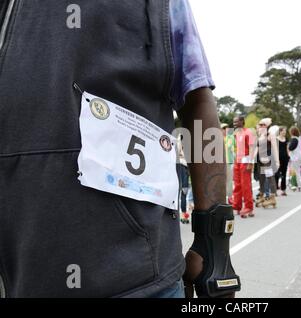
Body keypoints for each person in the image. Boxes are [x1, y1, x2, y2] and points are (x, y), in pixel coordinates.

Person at [0, 0, 239, 298]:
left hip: (141, 281)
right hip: (21, 274)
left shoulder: (167, 5)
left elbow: (196, 100)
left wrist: (214, 245)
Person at [232, 116, 256, 216]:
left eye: (236, 122)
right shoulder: (236, 133)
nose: (234, 124)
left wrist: (251, 162)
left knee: (246, 185)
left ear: (242, 122)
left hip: (246, 161)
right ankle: (237, 205)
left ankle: (248, 207)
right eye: (233, 122)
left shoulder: (248, 133)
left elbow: (251, 148)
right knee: (237, 184)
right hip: (237, 161)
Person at [255, 118, 279, 210]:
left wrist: (277, 161)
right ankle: (261, 195)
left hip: (268, 160)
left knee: (270, 178)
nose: (261, 126)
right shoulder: (260, 135)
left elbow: (275, 148)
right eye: (260, 125)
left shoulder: (270, 135)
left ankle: (272, 198)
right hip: (260, 160)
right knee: (261, 178)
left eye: (263, 125)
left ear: (267, 126)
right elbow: (256, 149)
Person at [222, 123, 235, 205]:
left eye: (226, 128)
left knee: (229, 181)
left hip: (228, 161)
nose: (224, 130)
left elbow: (229, 146)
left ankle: (230, 197)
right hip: (220, 163)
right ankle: (222, 198)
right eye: (223, 128)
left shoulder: (230, 137)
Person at [275, 126, 290, 196]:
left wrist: (288, 156)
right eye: (283, 131)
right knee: (277, 174)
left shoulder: (286, 139)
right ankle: (275, 189)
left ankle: (283, 190)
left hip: (285, 158)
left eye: (285, 131)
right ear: (280, 131)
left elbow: (287, 148)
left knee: (284, 173)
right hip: (278, 158)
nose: (284, 132)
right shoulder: (276, 139)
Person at [288, 126, 301, 191]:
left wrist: (288, 146)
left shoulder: (294, 139)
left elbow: (291, 148)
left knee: (294, 171)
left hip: (295, 157)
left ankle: (294, 184)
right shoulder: (298, 138)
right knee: (297, 171)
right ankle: (298, 185)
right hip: (299, 155)